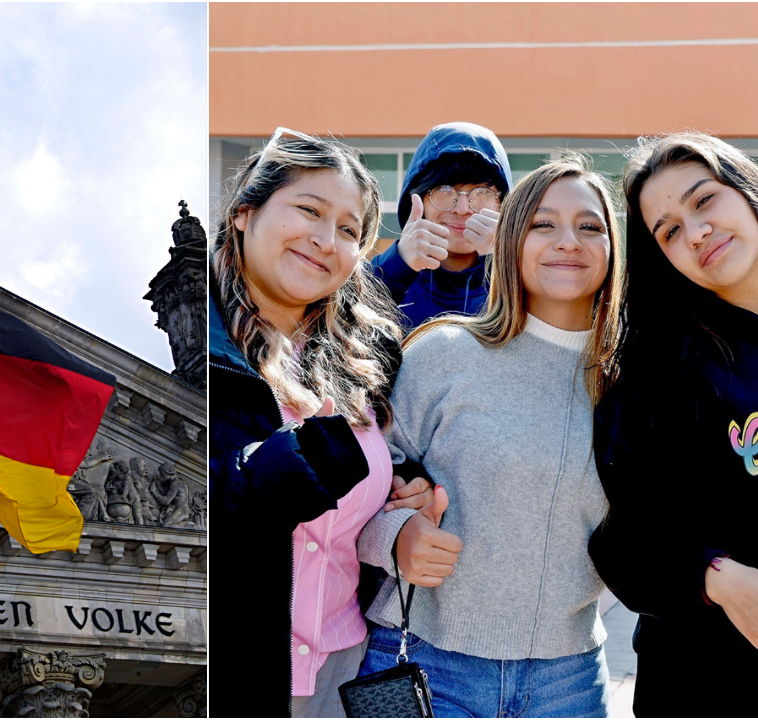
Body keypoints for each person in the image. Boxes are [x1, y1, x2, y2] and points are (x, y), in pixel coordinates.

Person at [588, 132, 758, 716]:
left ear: (749, 192)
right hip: (711, 683)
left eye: (704, 200)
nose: (696, 231)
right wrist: (717, 579)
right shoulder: (653, 370)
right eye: (669, 231)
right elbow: (626, 543)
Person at [357, 155, 626, 717]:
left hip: (569, 682)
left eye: (590, 225)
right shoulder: (442, 353)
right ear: (510, 241)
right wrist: (396, 536)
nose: (568, 241)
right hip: (423, 664)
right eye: (543, 223)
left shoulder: (632, 385)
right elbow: (359, 493)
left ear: (613, 247)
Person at [209, 128, 435, 718]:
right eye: (308, 210)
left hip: (346, 667)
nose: (325, 240)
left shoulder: (368, 358)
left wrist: (399, 484)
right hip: (229, 669)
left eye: (348, 230)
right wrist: (294, 463)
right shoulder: (193, 349)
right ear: (244, 213)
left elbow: (359, 486)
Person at [370, 122, 513, 330]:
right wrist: (396, 267)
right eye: (445, 190)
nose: (463, 208)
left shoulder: (530, 283)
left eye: (482, 192)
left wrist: (499, 269)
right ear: (417, 199)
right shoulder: (375, 277)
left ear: (502, 205)